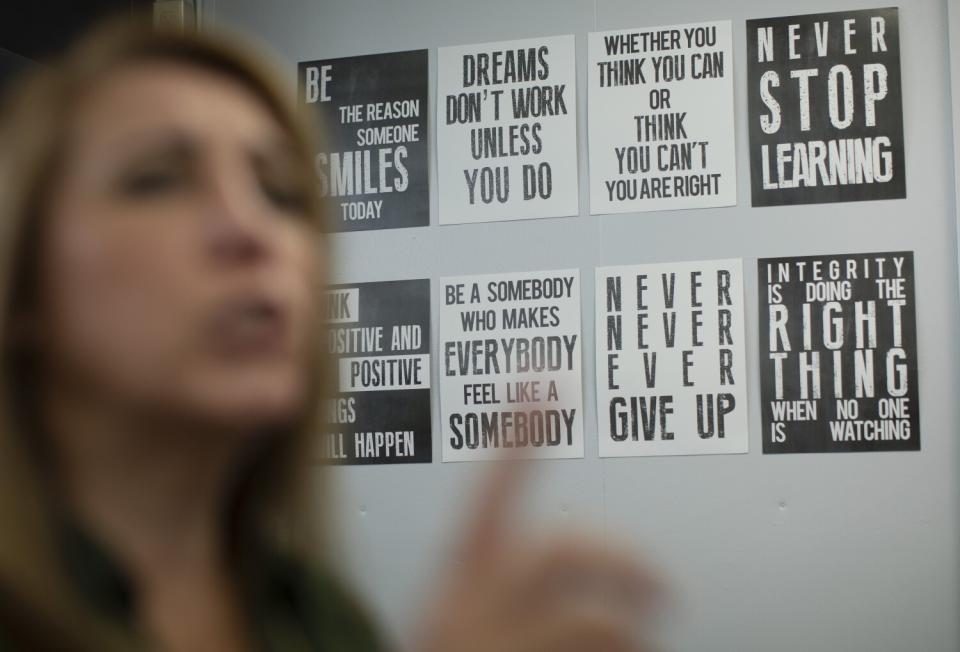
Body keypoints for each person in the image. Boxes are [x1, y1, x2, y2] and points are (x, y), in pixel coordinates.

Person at [0, 14, 661, 652]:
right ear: (24, 282)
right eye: (158, 180)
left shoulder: (323, 617)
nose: (250, 228)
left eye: (282, 191)